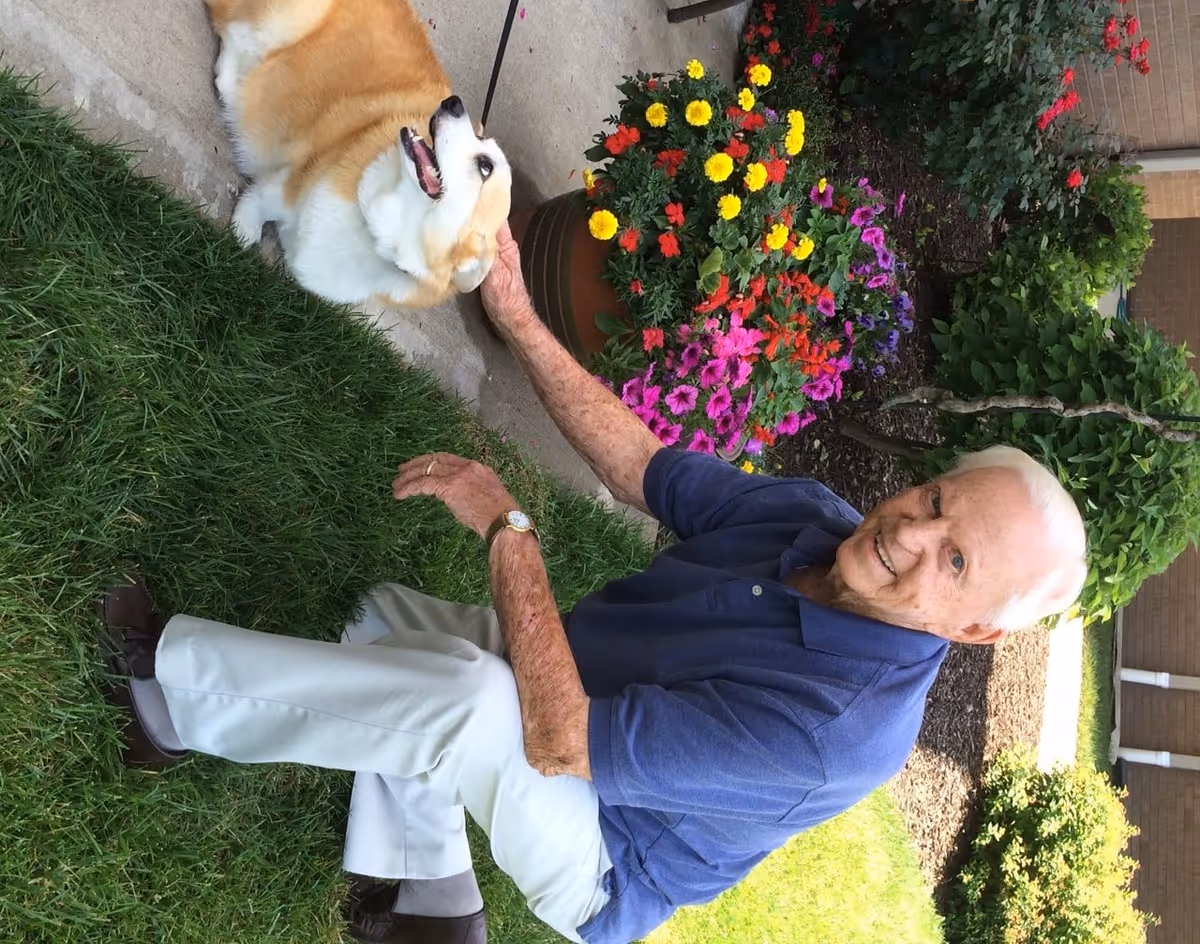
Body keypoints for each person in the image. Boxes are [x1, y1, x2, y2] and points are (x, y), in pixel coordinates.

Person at [100, 224, 1089, 944]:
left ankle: (168, 697)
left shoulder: (840, 733)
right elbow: (643, 467)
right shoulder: (819, 526)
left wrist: (509, 529)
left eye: (953, 562)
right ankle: (427, 901)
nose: (909, 533)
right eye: (932, 501)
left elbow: (560, 741)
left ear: (973, 631)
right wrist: (522, 320)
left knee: (468, 698)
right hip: (572, 689)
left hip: (605, 855)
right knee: (378, 626)